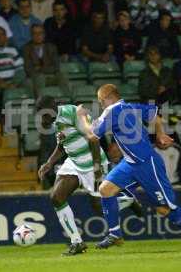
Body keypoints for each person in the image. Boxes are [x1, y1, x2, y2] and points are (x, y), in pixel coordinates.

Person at [76, 84, 181, 252]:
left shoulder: (112, 111)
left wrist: (82, 117)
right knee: (105, 189)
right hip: (130, 163)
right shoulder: (132, 107)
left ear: (108, 97)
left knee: (164, 208)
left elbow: (92, 136)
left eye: (101, 101)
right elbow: (156, 117)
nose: (100, 104)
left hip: (147, 164)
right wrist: (159, 133)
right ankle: (115, 233)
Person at [37, 96, 141, 256]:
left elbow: (93, 138)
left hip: (91, 162)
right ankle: (76, 242)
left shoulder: (73, 113)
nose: (41, 118)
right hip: (74, 161)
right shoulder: (56, 122)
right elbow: (63, 144)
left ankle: (127, 201)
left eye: (43, 115)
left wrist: (97, 166)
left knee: (99, 207)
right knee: (56, 197)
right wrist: (49, 163)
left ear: (52, 110)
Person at [23, 25, 69, 97]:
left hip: (51, 76)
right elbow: (28, 69)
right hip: (36, 77)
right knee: (39, 77)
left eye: (40, 33)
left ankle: (68, 100)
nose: (38, 36)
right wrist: (44, 70)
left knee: (62, 76)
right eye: (35, 33)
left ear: (44, 34)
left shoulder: (51, 47)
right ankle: (40, 103)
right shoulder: (26, 48)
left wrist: (40, 69)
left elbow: (56, 67)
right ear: (31, 35)